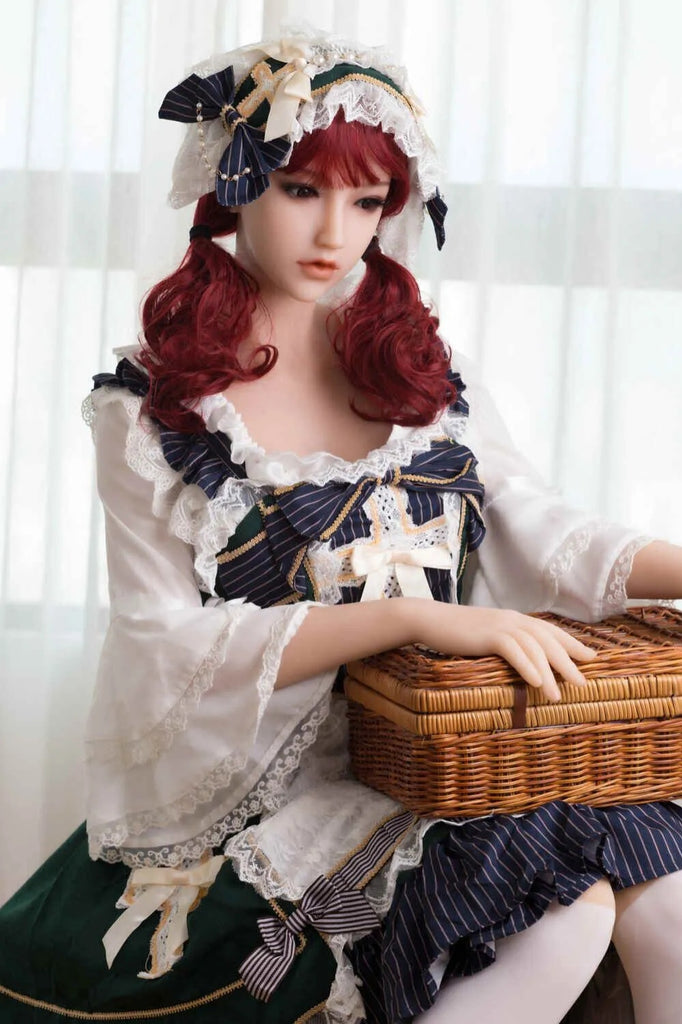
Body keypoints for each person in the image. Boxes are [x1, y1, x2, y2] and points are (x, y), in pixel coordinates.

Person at [1, 27, 682, 1024]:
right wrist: (413, 618)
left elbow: (538, 523)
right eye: (301, 189)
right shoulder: (150, 408)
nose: (336, 231)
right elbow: (160, 644)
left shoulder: (419, 372)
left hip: (452, 750)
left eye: (367, 201)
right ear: (234, 182)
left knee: (668, 898)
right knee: (567, 918)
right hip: (283, 783)